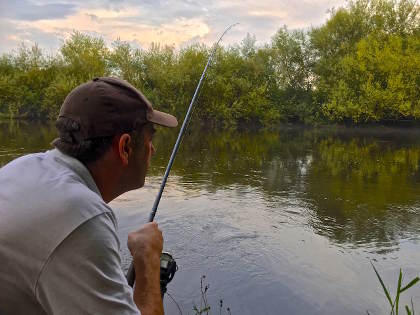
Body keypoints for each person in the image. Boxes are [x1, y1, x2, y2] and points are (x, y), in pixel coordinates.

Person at [0, 77, 178, 315]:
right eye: (150, 139)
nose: (153, 150)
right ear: (125, 147)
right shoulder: (82, 219)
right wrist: (148, 259)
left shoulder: (23, 167)